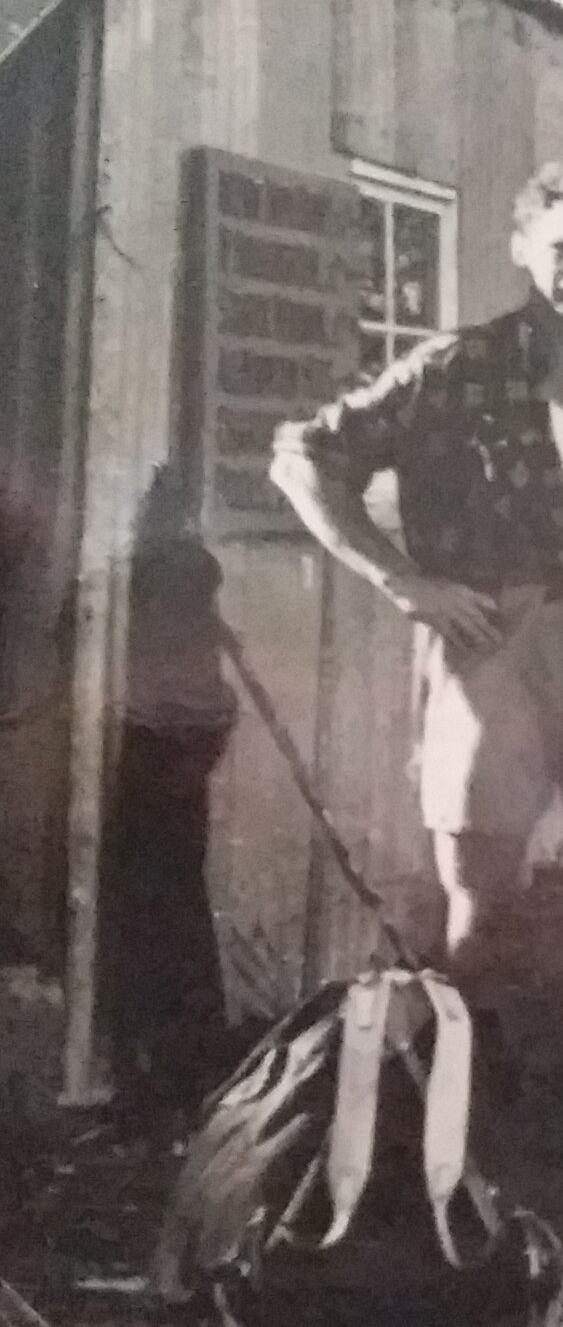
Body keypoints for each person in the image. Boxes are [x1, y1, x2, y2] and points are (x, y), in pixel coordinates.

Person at [269, 164, 563, 1198]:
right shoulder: (456, 365)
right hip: (492, 637)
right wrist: (402, 577)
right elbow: (304, 456)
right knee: (482, 902)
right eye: (558, 247)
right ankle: (468, 1158)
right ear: (522, 250)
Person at [101, 466, 237, 1131]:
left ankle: (171, 1074)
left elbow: (198, 696)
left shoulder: (169, 578)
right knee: (171, 912)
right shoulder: (172, 580)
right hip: (170, 754)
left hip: (164, 756)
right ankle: (175, 1070)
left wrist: (188, 748)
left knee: (159, 914)